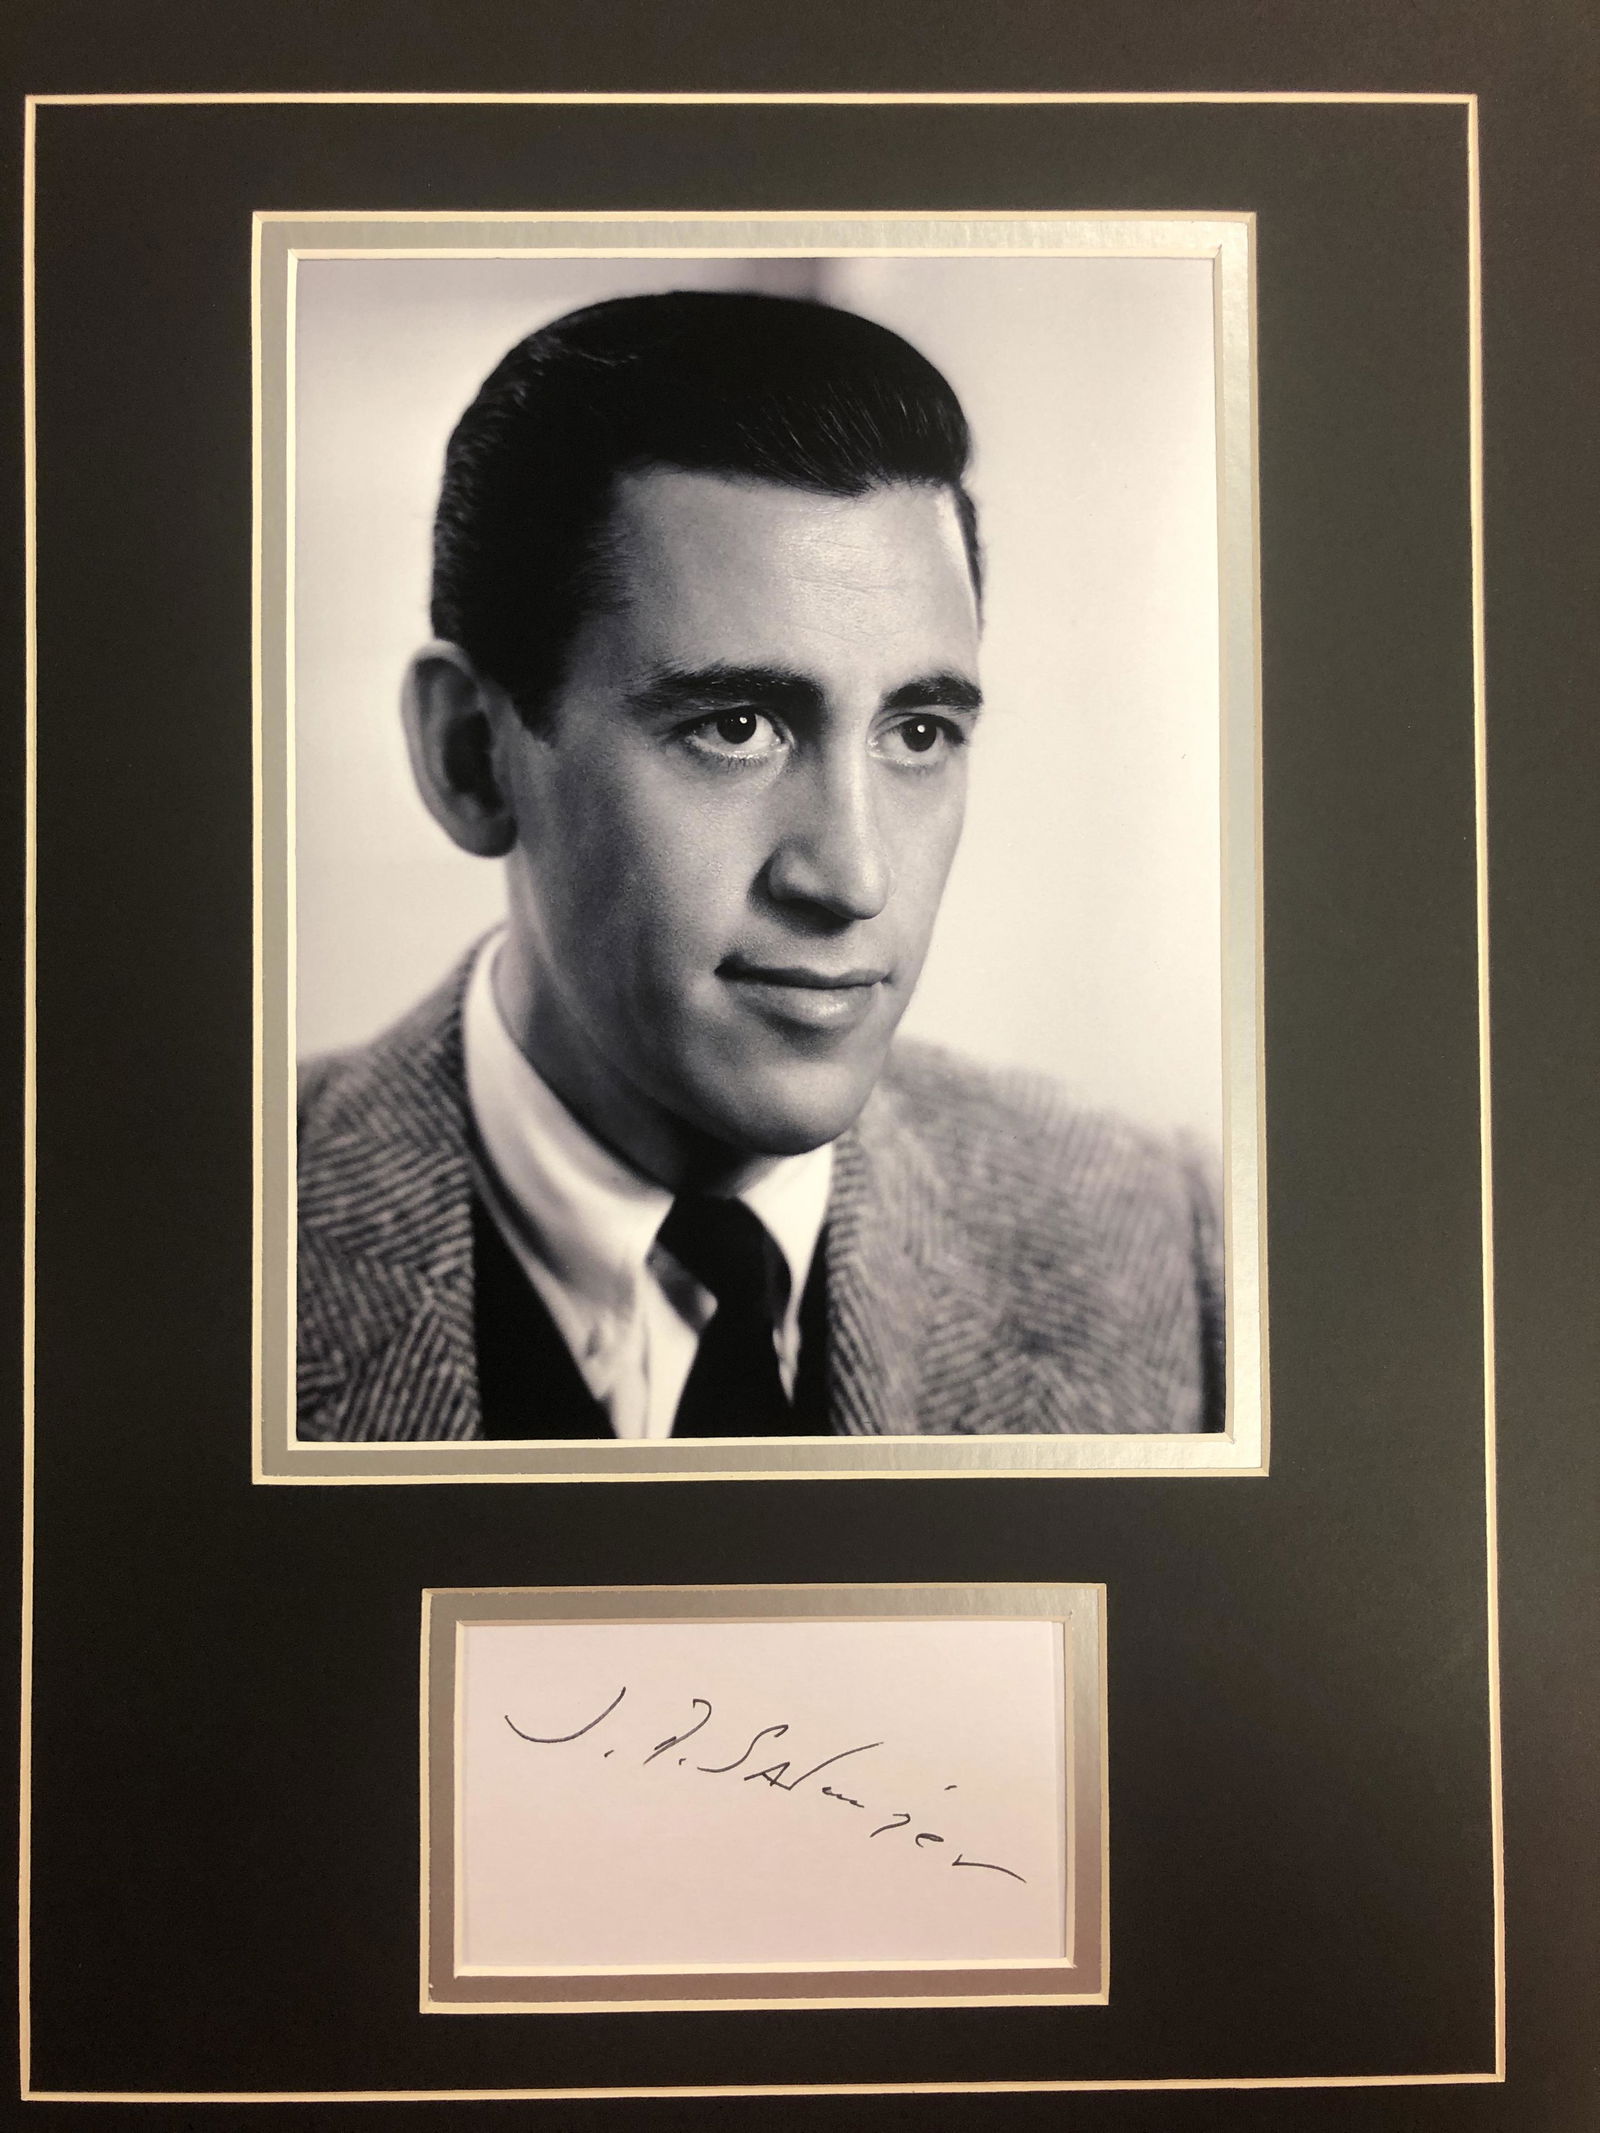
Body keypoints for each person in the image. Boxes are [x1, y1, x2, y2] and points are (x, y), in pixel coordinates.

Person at [296, 289, 1223, 1442]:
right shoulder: (180, 1265)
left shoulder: (1158, 1244)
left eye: (918, 733)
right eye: (735, 727)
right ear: (471, 758)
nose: (853, 879)